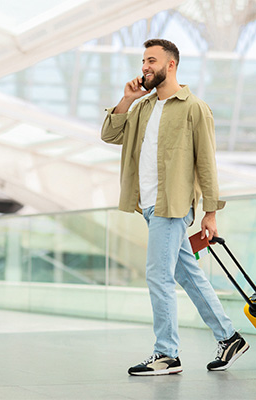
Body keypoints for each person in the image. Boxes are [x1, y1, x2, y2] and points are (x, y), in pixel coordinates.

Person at [101, 39, 248, 376]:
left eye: (151, 61)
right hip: (151, 207)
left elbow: (207, 163)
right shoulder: (142, 108)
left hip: (174, 206)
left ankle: (167, 354)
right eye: (142, 62)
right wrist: (126, 98)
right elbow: (109, 135)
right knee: (186, 273)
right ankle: (230, 337)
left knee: (159, 277)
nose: (144, 68)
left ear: (171, 65)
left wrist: (210, 213)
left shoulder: (195, 107)